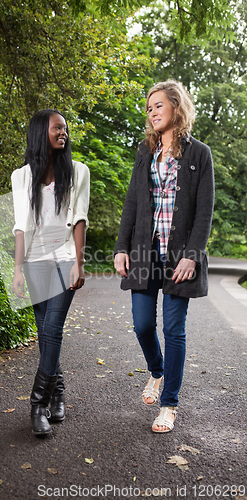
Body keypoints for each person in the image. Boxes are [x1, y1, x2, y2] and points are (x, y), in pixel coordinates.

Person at [114, 80, 214, 433]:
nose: (152, 112)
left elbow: (204, 210)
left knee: (174, 329)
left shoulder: (199, 154)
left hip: (179, 256)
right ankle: (157, 371)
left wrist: (192, 255)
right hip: (145, 251)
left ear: (176, 106)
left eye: (158, 105)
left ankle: (169, 404)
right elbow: (132, 202)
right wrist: (121, 247)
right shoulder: (146, 151)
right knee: (142, 324)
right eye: (149, 108)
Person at [11, 109, 90, 436]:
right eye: (58, 128)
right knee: (45, 333)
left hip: (63, 258)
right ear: (41, 132)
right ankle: (58, 394)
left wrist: (79, 263)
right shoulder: (21, 176)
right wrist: (17, 268)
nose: (64, 133)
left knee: (53, 328)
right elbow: (20, 226)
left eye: (65, 129)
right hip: (34, 262)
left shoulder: (78, 172)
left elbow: (80, 218)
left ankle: (37, 404)